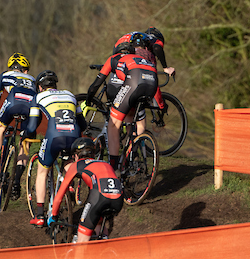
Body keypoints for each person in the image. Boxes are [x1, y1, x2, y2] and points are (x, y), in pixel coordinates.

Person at [85, 32, 158, 171]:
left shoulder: (114, 58)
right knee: (136, 119)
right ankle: (133, 152)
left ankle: (113, 165)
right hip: (152, 83)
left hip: (135, 82)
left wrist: (89, 98)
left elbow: (96, 84)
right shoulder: (140, 58)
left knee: (113, 124)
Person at [25, 70, 86, 227]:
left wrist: (25, 135)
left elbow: (32, 127)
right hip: (74, 136)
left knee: (42, 171)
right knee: (68, 161)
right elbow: (83, 124)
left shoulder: (38, 97)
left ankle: (39, 215)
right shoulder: (70, 95)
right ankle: (72, 185)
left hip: (54, 136)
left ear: (40, 87)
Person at [0, 53, 36, 201]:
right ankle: (16, 183)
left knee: (0, 128)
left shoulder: (4, 75)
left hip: (13, 101)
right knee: (25, 141)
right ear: (25, 70)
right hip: (30, 106)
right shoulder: (33, 79)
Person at [49, 137, 123, 242]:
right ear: (93, 154)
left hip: (99, 198)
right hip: (118, 199)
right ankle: (106, 244)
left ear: (75, 156)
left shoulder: (76, 165)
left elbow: (59, 195)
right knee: (99, 223)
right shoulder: (105, 164)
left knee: (81, 241)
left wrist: (54, 216)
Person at [113, 27, 175, 110]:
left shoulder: (137, 36)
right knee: (150, 76)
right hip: (131, 51)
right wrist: (165, 68)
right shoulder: (154, 41)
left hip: (117, 51)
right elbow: (157, 48)